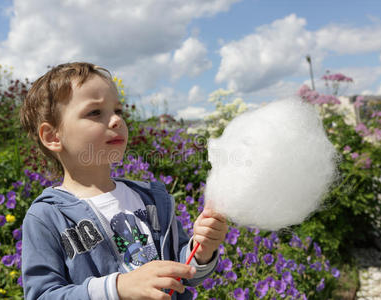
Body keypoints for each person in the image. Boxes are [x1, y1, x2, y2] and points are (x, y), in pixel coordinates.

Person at [19, 62, 228, 300]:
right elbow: (42, 295)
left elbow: (183, 274)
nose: (117, 121)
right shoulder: (47, 217)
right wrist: (117, 288)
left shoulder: (152, 198)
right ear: (53, 136)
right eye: (95, 112)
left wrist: (201, 250)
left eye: (118, 111)